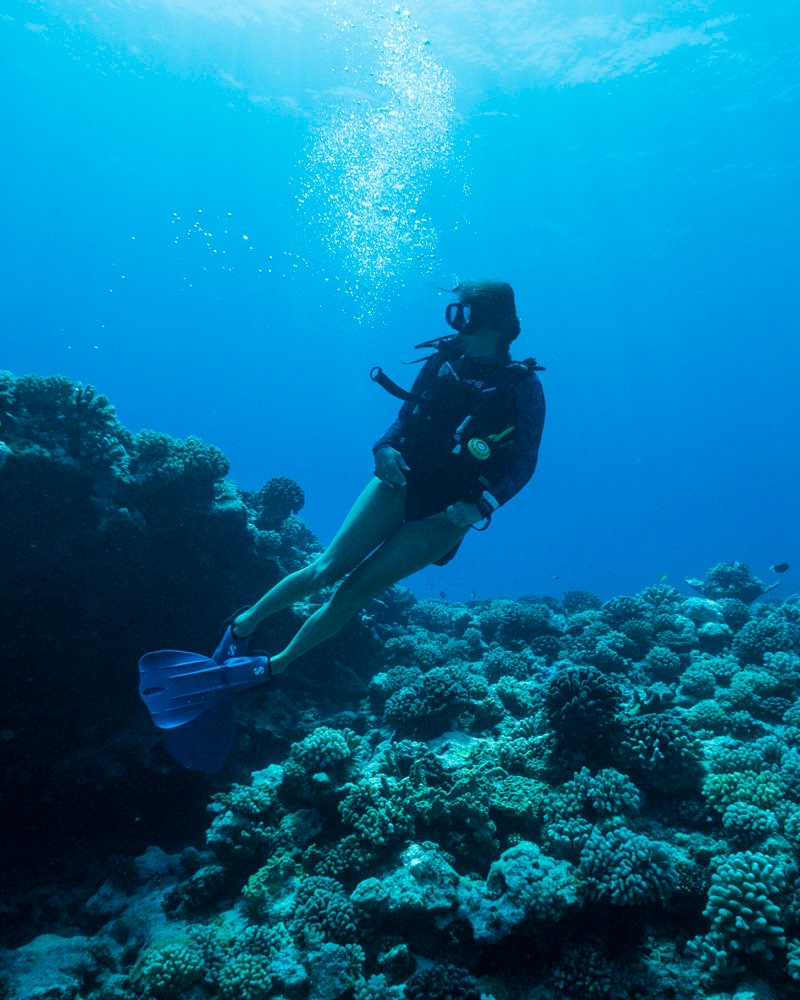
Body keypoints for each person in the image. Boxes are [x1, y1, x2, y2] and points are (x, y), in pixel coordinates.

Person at [214, 279, 546, 676]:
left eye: (467, 315)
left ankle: (271, 668)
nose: (458, 325)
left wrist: (482, 506)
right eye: (455, 314)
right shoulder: (443, 361)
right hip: (398, 483)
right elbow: (405, 418)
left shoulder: (523, 388)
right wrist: (383, 447)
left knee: (355, 592)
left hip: (445, 516)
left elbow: (525, 462)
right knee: (325, 569)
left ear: (494, 323)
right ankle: (240, 627)